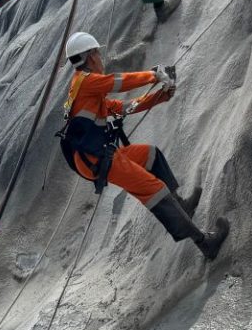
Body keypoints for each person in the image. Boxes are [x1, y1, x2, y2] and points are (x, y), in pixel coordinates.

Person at [59, 32, 229, 260]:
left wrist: (158, 98)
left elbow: (120, 107)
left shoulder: (86, 86)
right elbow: (118, 82)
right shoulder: (88, 82)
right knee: (155, 190)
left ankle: (182, 207)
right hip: (97, 159)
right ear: (90, 57)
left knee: (150, 155)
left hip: (99, 155)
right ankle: (205, 243)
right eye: (98, 53)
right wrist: (153, 75)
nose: (101, 57)